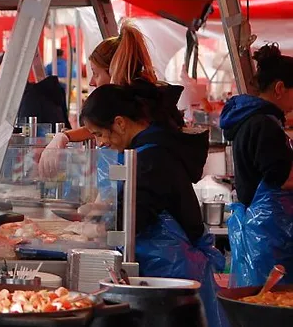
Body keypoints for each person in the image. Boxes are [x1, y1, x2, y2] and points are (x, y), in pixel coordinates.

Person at [81, 83, 226, 327]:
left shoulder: (151, 157)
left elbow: (137, 215)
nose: (101, 143)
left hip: (171, 270)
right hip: (171, 269)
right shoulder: (148, 149)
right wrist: (101, 211)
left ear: (120, 122)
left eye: (98, 134)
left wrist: (98, 228)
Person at [38, 23, 183, 175]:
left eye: (96, 73)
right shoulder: (146, 101)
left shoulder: (137, 116)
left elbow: (124, 177)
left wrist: (63, 137)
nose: (92, 82)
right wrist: (64, 137)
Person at [219, 44, 293, 287]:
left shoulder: (252, 119)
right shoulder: (265, 124)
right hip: (267, 234)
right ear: (280, 88)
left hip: (260, 230)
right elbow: (280, 178)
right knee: (271, 303)